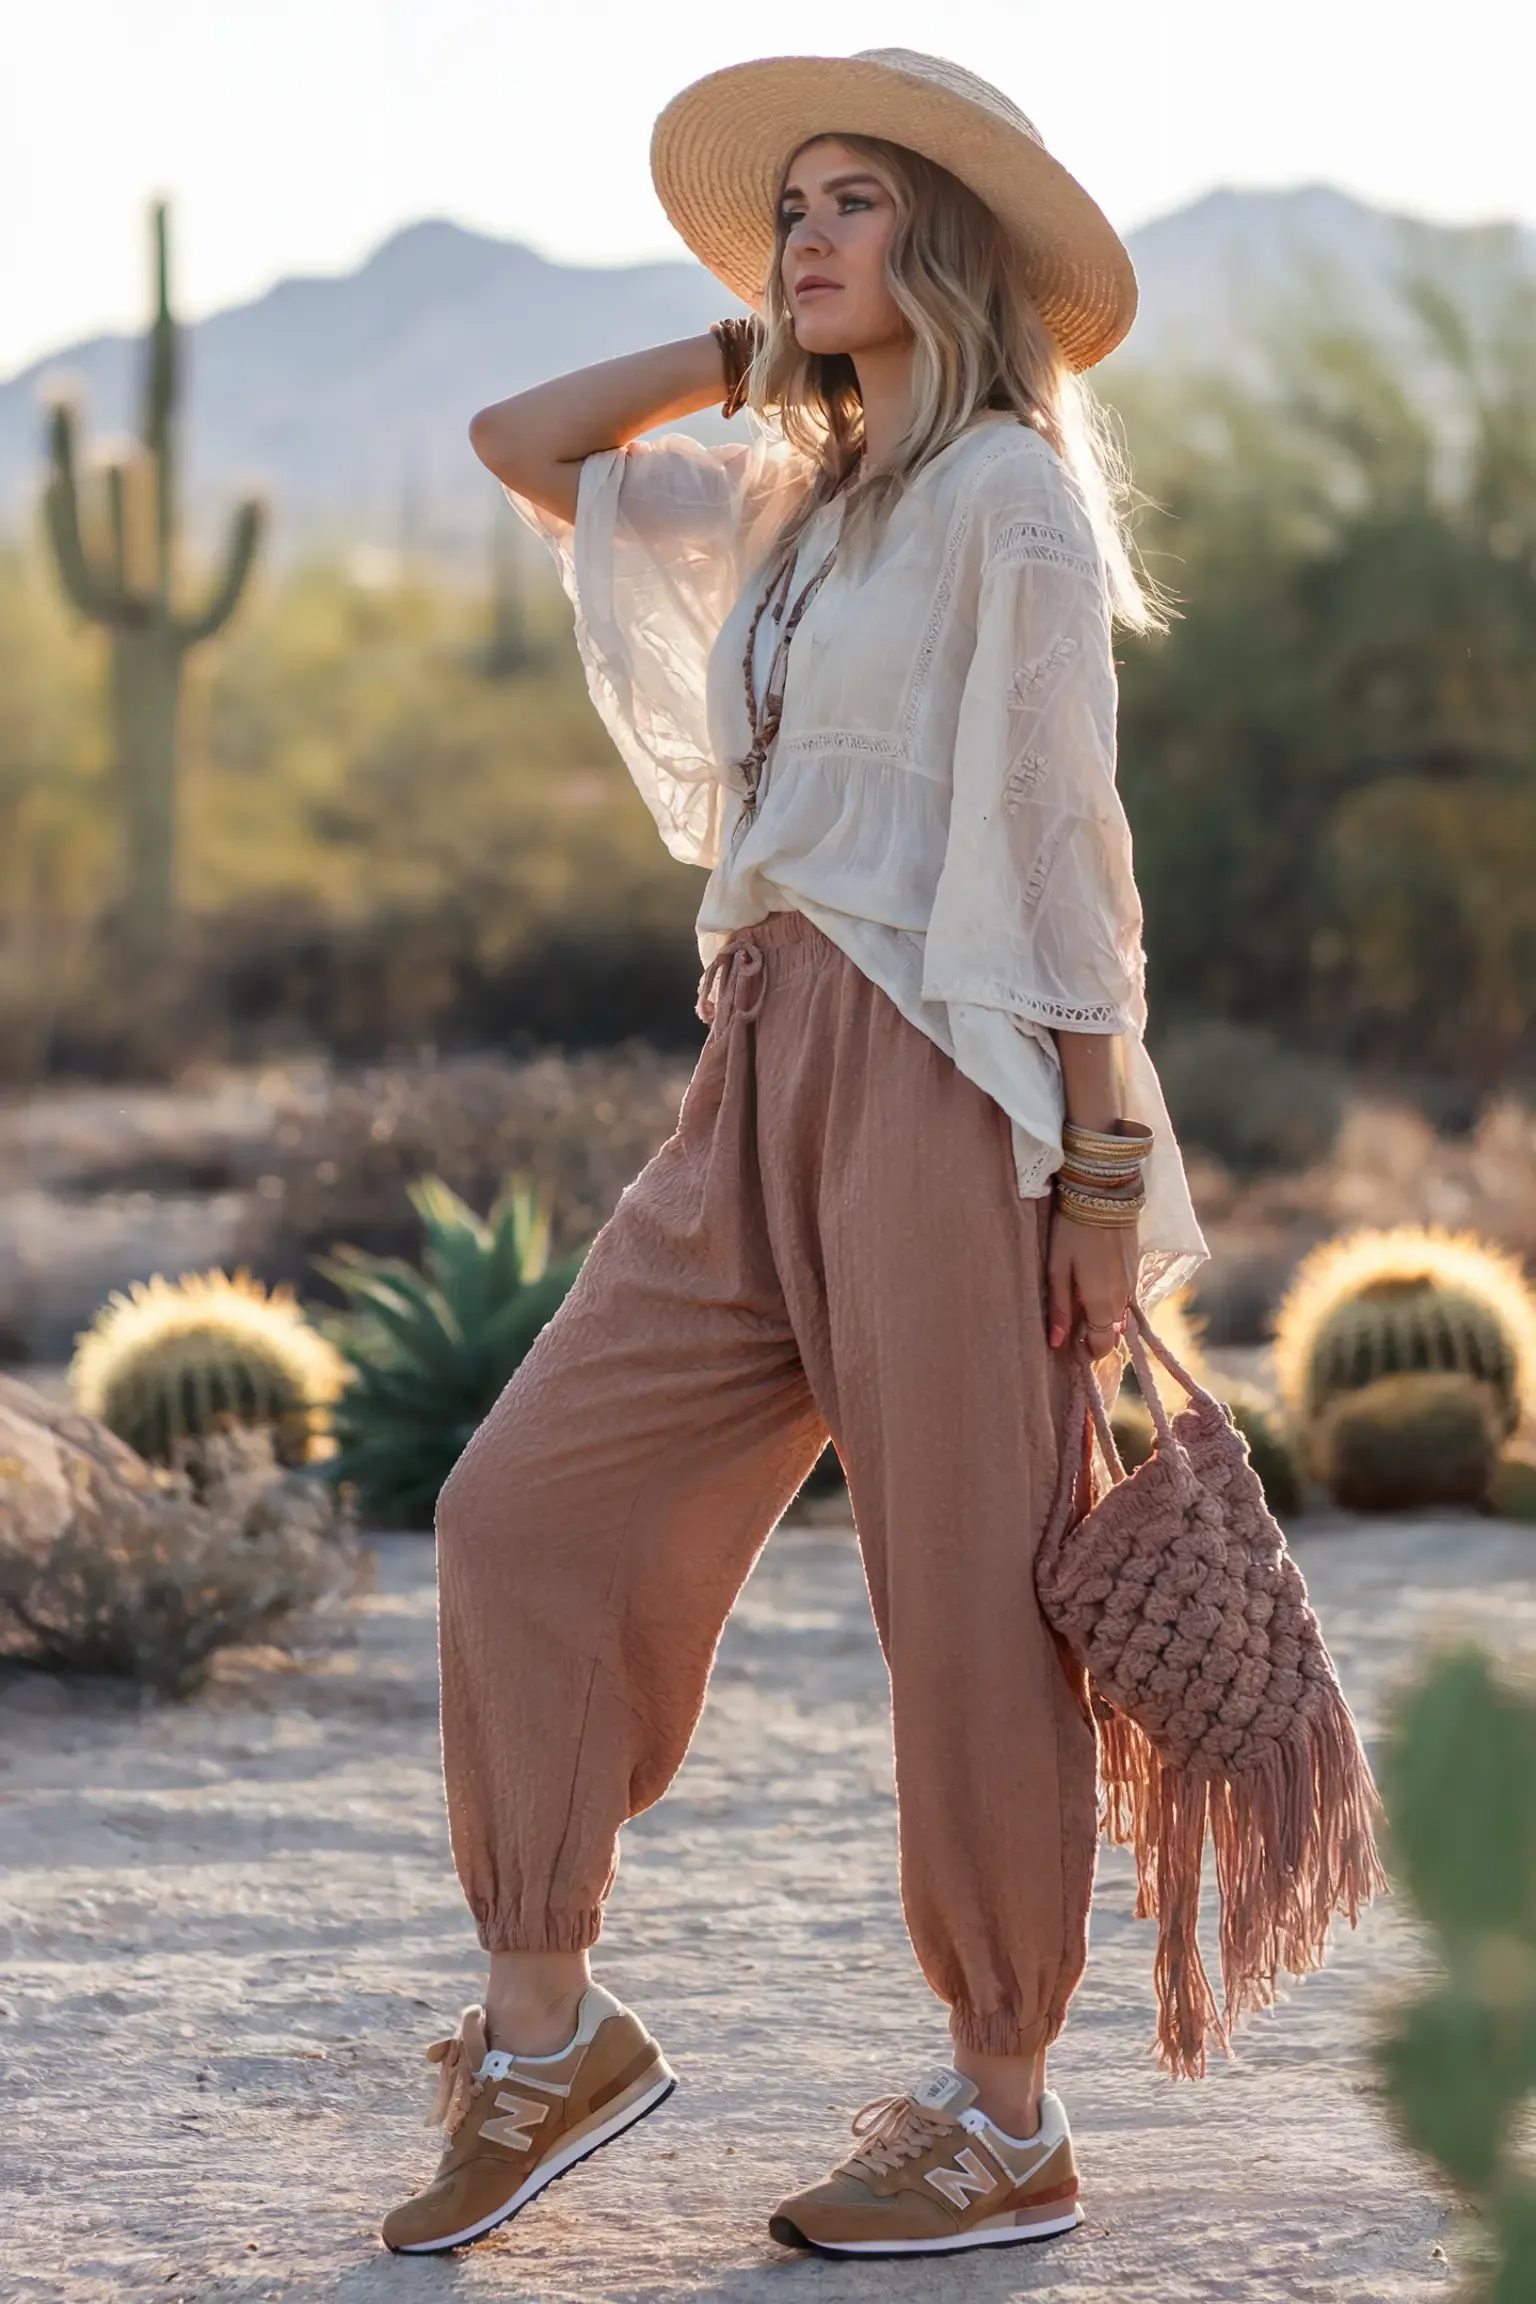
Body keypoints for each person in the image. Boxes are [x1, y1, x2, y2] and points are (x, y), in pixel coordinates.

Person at [381, 45, 1207, 2264]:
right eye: (794, 210)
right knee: (519, 1507)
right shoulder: (792, 494)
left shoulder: (1011, 500)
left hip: (950, 1083)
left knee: (962, 1603)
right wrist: (740, 346)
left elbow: (1060, 850)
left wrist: (1099, 1186)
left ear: (946, 243)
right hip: (754, 1067)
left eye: (856, 206)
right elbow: (522, 447)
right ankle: (546, 2033)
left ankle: (1002, 2107)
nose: (812, 237)